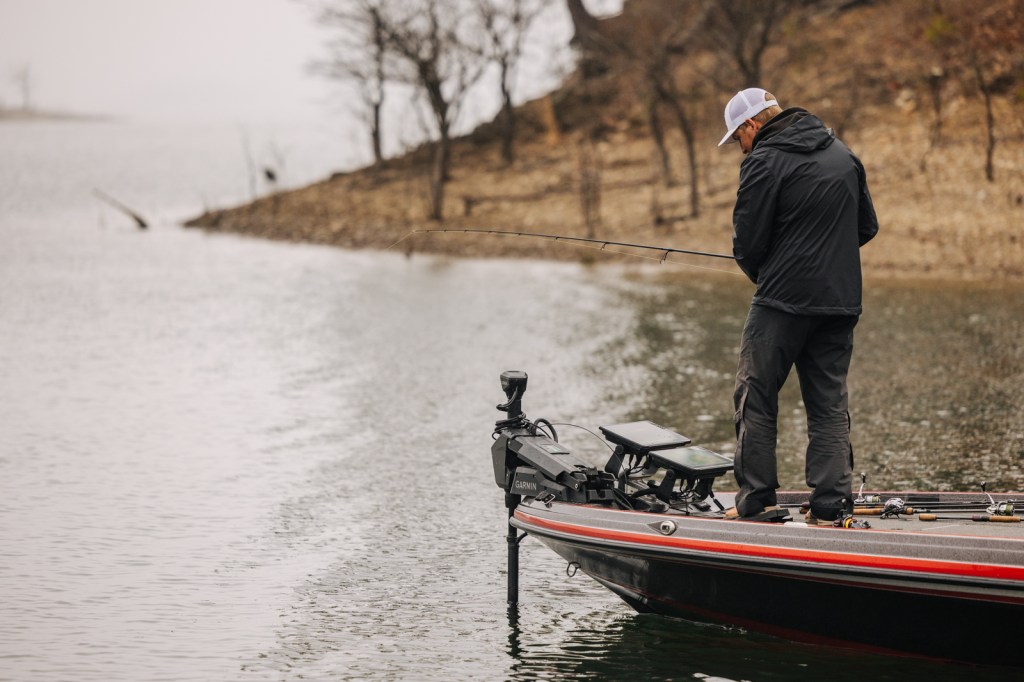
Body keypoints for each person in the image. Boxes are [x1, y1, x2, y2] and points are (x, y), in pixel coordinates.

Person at [719, 88, 879, 524]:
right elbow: (866, 227)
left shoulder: (762, 161)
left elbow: (747, 245)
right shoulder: (843, 154)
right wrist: (824, 260)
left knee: (755, 396)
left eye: (738, 138)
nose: (741, 147)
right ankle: (830, 507)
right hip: (840, 302)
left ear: (752, 125)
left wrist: (778, 271)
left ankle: (757, 501)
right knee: (829, 404)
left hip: (781, 302)